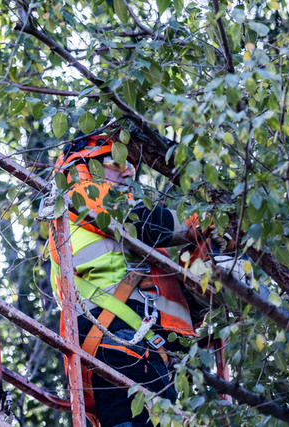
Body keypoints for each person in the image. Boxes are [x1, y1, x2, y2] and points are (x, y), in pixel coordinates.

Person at [48, 133, 198, 427]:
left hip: (140, 347)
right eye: (116, 162)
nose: (129, 171)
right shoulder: (83, 192)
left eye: (131, 165)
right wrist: (202, 224)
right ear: (85, 165)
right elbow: (145, 222)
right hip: (116, 337)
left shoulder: (130, 239)